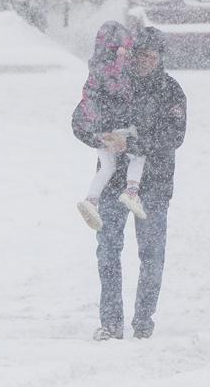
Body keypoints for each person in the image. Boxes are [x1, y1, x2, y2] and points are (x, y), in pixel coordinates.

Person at [72, 26, 187, 340]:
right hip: (111, 182)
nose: (146, 61)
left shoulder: (170, 90)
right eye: (141, 55)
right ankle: (110, 322)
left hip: (155, 184)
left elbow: (174, 135)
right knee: (108, 251)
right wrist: (100, 137)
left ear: (160, 57)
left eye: (153, 56)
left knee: (151, 255)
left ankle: (144, 321)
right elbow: (79, 120)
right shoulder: (111, 83)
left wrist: (133, 145)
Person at [75, 21, 148, 231]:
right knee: (138, 155)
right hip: (120, 125)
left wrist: (96, 127)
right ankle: (132, 191)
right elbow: (124, 94)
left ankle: (91, 200)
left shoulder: (94, 68)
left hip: (98, 128)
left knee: (107, 167)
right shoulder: (120, 68)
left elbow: (88, 98)